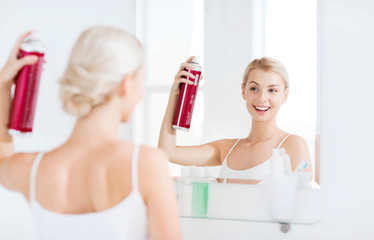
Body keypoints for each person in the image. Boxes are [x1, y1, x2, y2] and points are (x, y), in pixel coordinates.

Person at [0, 27, 181, 240]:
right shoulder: (146, 163)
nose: (141, 91)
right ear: (126, 83)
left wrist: (3, 86)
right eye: (142, 80)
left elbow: (3, 160)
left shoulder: (31, 170)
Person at [159, 56, 312, 181]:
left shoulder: (293, 145)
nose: (262, 98)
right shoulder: (227, 149)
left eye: (272, 90)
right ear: (243, 91)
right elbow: (167, 151)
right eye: (254, 88)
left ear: (285, 95)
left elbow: (308, 204)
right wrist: (176, 96)